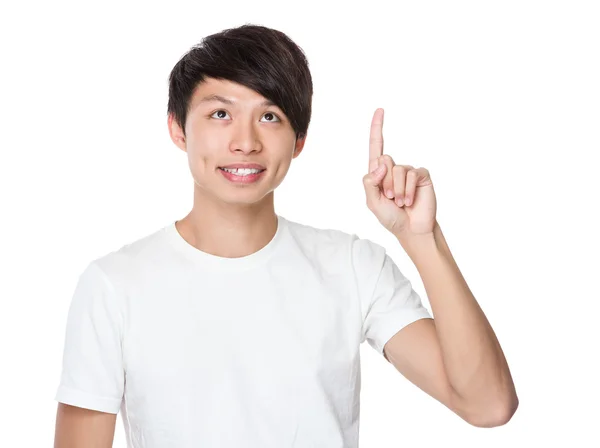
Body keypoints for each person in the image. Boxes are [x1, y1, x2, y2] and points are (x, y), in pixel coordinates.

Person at [53, 23, 518, 448]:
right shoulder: (113, 285)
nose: (246, 141)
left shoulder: (351, 266)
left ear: (299, 140)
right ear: (178, 128)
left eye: (270, 116)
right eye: (220, 114)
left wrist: (422, 239)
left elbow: (488, 405)